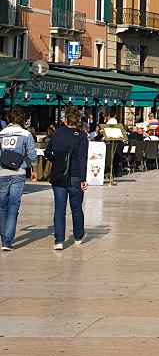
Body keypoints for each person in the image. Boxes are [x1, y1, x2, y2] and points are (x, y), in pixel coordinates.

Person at [45, 105, 89, 250]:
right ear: (77, 121)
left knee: (59, 209)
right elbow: (83, 158)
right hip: (76, 174)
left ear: (65, 120)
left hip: (58, 175)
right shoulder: (81, 135)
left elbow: (47, 152)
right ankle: (78, 236)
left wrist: (57, 162)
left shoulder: (56, 133)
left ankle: (59, 240)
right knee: (76, 208)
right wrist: (83, 179)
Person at [0, 106, 37, 250]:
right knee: (13, 206)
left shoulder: (2, 133)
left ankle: (4, 237)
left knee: (2, 207)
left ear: (8, 118)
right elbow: (32, 153)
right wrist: (35, 169)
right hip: (18, 171)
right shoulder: (25, 134)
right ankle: (7, 241)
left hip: (2, 171)